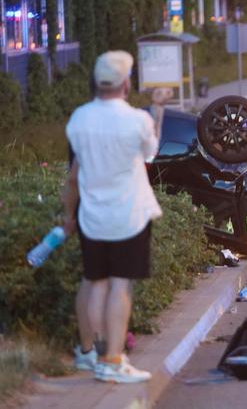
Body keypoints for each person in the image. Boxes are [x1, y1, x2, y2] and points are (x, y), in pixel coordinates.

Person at [61, 50, 165, 383]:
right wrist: (158, 109)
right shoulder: (137, 120)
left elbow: (73, 176)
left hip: (91, 216)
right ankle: (113, 360)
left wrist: (67, 215)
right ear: (125, 82)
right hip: (129, 216)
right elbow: (151, 152)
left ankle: (92, 353)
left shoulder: (79, 118)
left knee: (95, 283)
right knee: (120, 287)